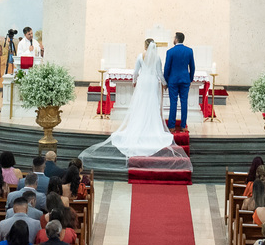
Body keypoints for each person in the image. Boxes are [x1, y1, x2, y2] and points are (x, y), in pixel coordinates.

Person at [77, 39, 193, 175]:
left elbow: (136, 71)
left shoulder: (140, 56)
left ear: (145, 46)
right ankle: (151, 125)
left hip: (143, 82)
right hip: (152, 83)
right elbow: (159, 73)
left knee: (141, 104)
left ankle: (139, 124)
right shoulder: (157, 58)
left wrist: (134, 81)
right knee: (151, 104)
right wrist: (164, 83)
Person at [163, 32, 196, 131]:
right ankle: (183, 125)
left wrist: (166, 81)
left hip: (173, 80)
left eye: (174, 38)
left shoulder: (170, 52)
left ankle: (171, 126)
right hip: (185, 80)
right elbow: (192, 67)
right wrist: (190, 79)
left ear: (176, 39)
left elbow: (167, 68)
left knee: (173, 102)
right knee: (184, 102)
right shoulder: (189, 51)